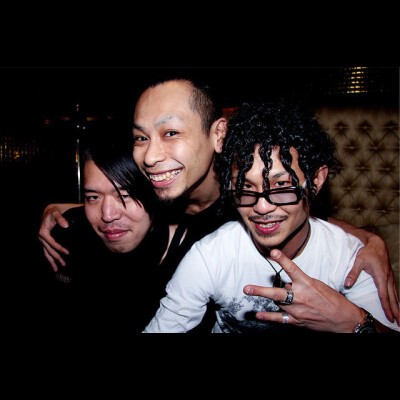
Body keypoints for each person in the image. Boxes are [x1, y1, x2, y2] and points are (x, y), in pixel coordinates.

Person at [38, 75, 399, 325]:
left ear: (218, 134)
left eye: (171, 132)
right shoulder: (157, 187)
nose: (150, 156)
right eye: (140, 138)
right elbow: (115, 201)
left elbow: (297, 214)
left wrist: (369, 241)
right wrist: (72, 208)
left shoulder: (243, 192)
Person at [143, 100, 399, 333]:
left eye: (281, 186)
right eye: (246, 187)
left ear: (316, 180)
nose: (262, 207)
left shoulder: (352, 259)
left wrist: (351, 321)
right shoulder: (211, 254)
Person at [45, 136, 170, 332]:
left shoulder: (190, 251)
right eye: (93, 197)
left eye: (124, 196)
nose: (107, 215)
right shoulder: (71, 233)